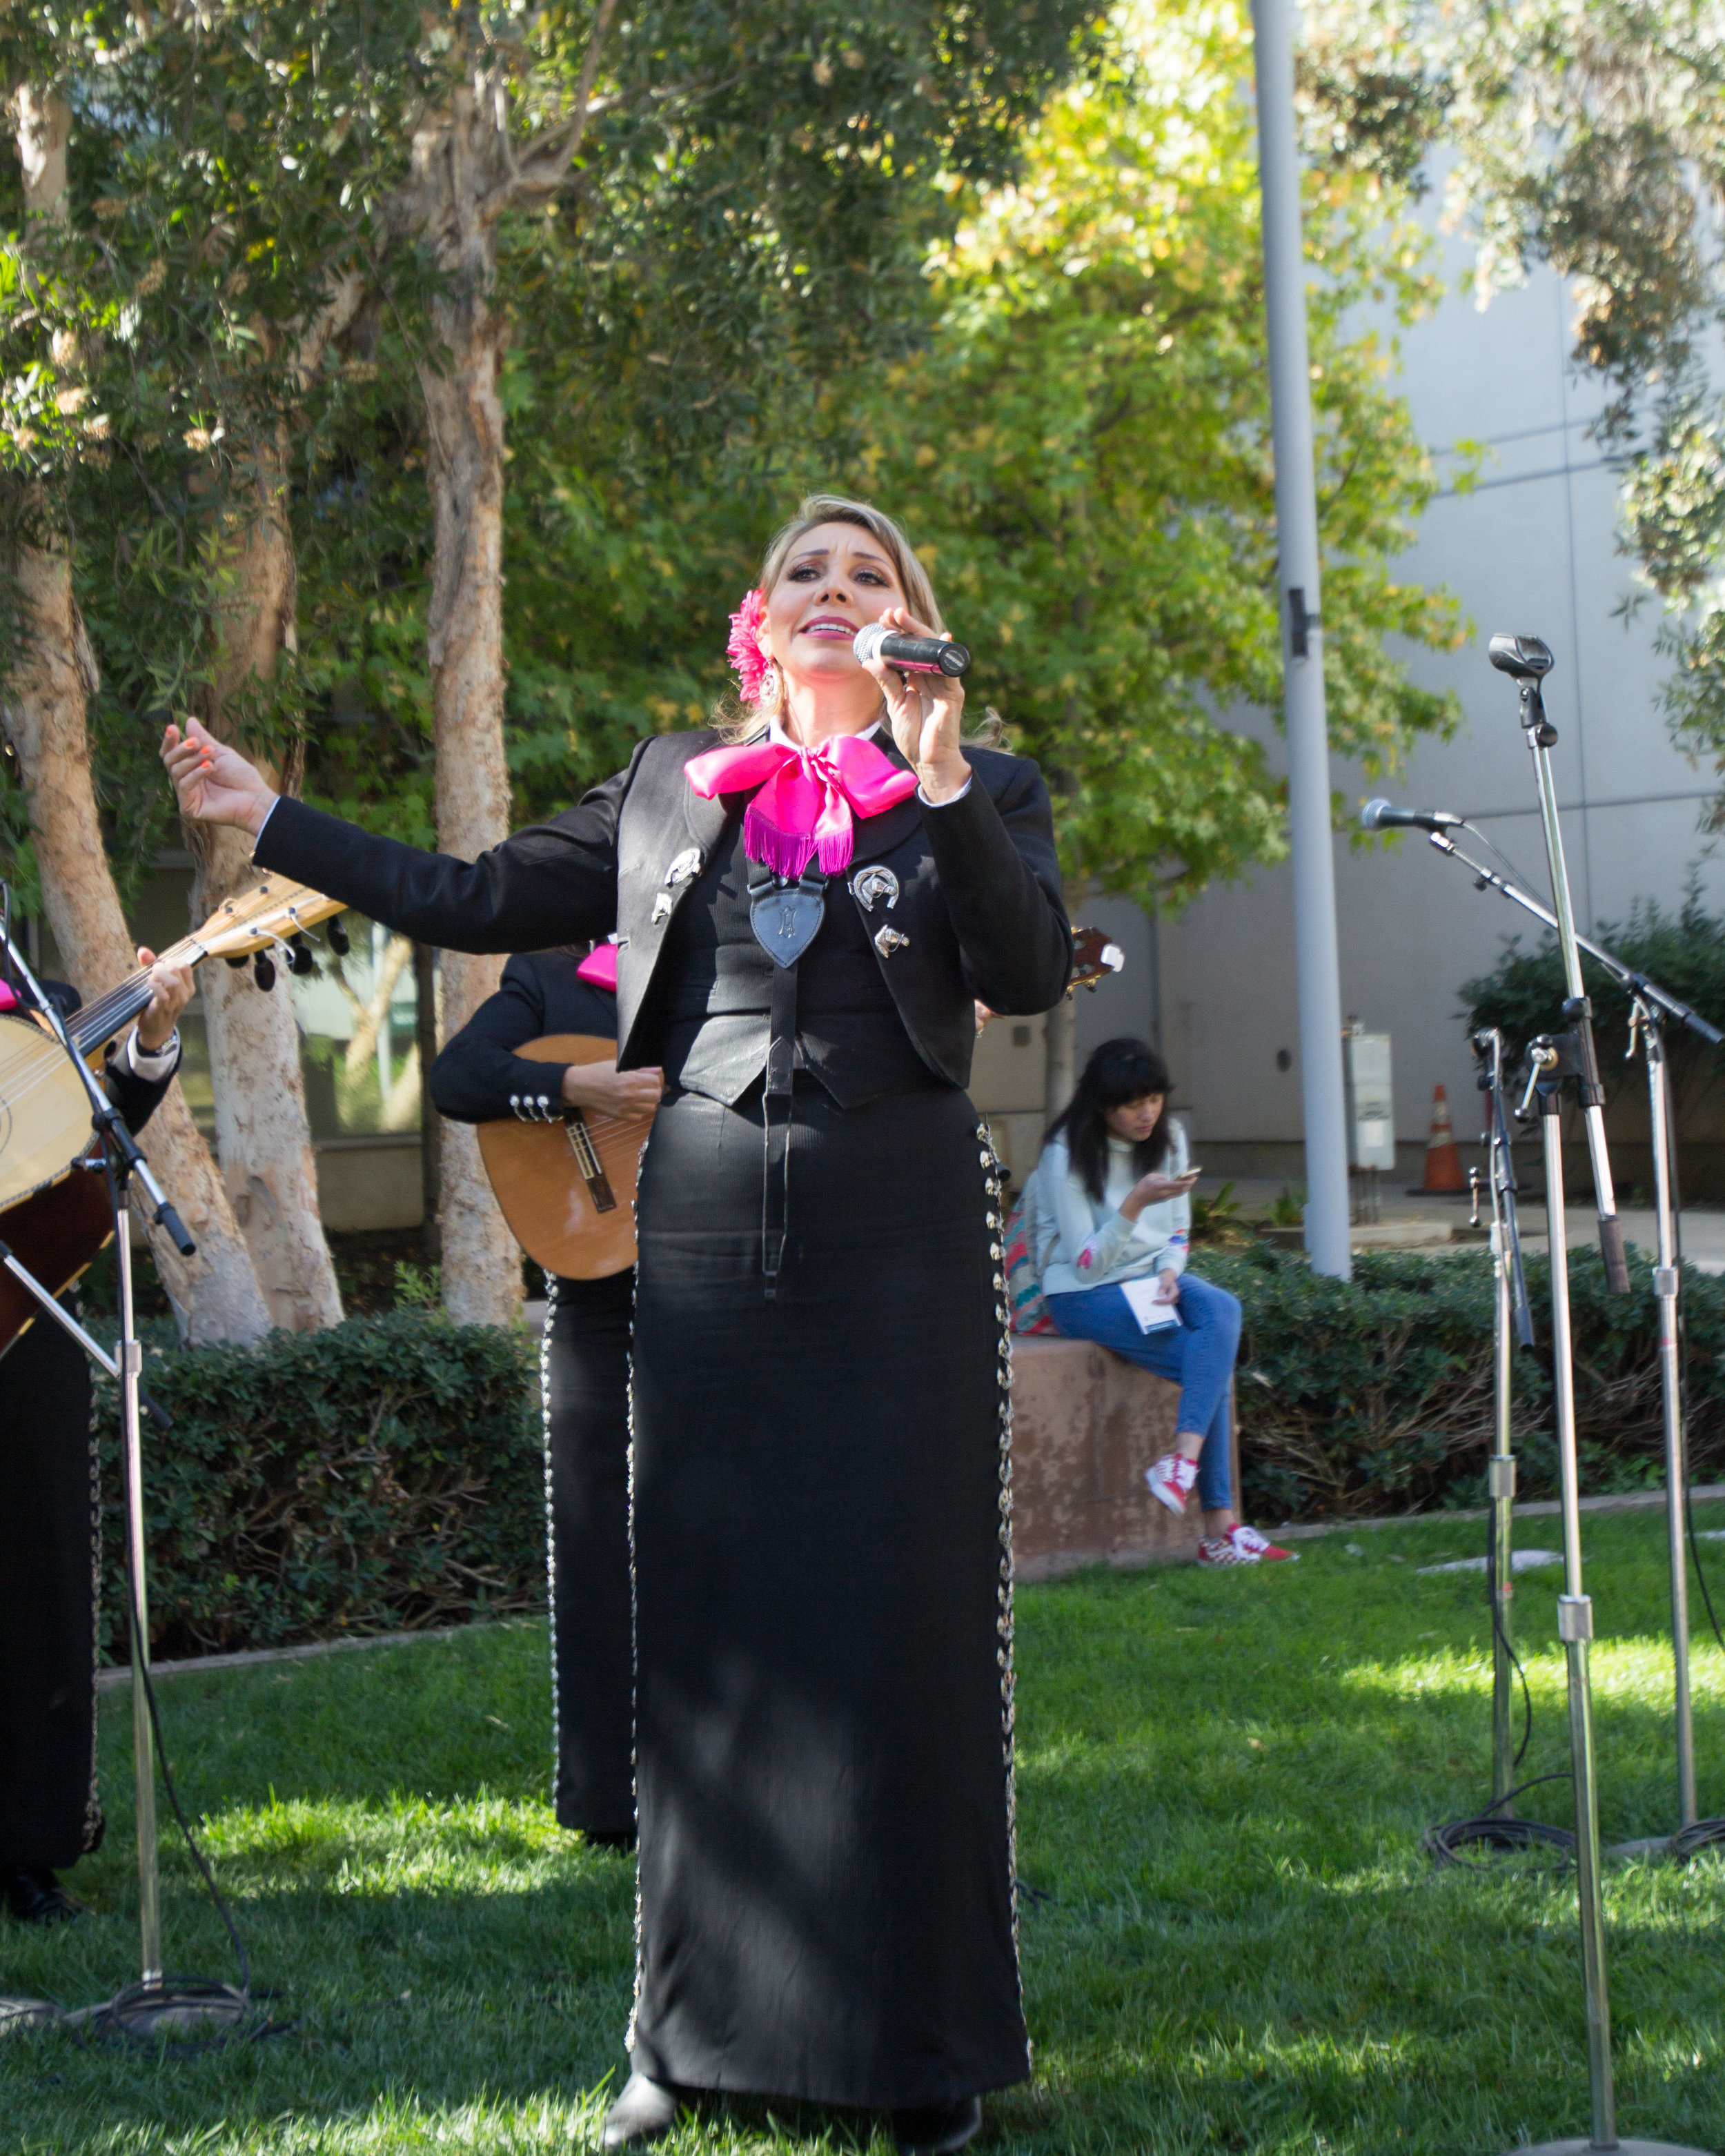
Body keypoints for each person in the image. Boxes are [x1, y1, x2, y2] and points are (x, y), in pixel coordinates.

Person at [161, 493, 1072, 2155]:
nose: (835, 590)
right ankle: (683, 2035)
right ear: (761, 611)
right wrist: (271, 814)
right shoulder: (671, 787)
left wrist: (937, 769)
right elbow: (476, 891)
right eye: (808, 568)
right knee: (706, 1629)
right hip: (708, 1227)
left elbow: (1020, 966)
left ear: (908, 623)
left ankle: (917, 2048)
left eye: (868, 575)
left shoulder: (982, 789)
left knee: (902, 1625)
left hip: (902, 1230)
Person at [428, 946, 657, 1847]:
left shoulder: (737, 959)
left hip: (727, 1291)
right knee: (598, 1541)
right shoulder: (556, 974)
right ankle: (608, 1802)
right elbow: (461, 1075)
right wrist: (574, 1086)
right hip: (596, 1294)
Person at [0, 947, 195, 1922]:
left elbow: (104, 1139)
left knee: (41, 1589)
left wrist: (152, 1035)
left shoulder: (39, 1009)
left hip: (26, 1322)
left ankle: (29, 1848)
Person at [1031, 1037, 1292, 1567]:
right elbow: (1087, 1263)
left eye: (1154, 1098)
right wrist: (1133, 1204)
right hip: (1085, 1293)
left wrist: (1172, 1273)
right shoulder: (1067, 1154)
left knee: (1222, 1310)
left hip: (1151, 1278)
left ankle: (1182, 1464)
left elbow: (1178, 1232)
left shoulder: (1169, 1136)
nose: (1147, 1112)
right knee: (1209, 1369)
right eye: (1132, 1103)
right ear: (1103, 1105)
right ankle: (1219, 1529)